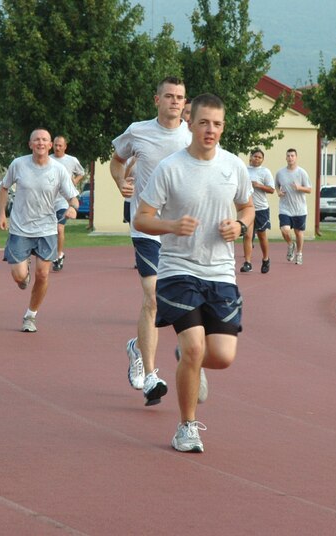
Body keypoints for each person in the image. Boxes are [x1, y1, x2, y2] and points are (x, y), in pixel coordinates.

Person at [133, 93, 255, 453]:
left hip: (220, 273)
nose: (210, 130)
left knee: (222, 356)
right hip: (178, 270)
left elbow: (248, 207)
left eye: (217, 124)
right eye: (204, 122)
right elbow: (142, 218)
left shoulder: (234, 166)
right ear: (191, 123)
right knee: (194, 345)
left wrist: (241, 225)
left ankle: (190, 361)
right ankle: (186, 427)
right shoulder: (170, 167)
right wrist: (171, 225)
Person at [110, 77, 192, 403]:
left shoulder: (191, 137)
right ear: (156, 99)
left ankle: (136, 347)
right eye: (169, 96)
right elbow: (117, 161)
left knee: (179, 302)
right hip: (145, 226)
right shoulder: (138, 131)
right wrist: (120, 184)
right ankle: (151, 376)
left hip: (178, 231)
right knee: (153, 296)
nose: (174, 102)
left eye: (180, 97)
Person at [0, 128, 79, 333]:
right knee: (19, 277)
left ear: (50, 145)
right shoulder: (18, 164)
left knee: (43, 274)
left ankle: (30, 316)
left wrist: (72, 208)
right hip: (20, 228)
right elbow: (4, 187)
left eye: (44, 140)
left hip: (46, 229)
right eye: (36, 140)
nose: (41, 143)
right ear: (30, 144)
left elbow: (73, 197)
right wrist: (1, 214)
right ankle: (23, 277)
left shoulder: (58, 169)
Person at [50, 135, 86, 272]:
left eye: (60, 145)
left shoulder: (71, 160)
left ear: (65, 146)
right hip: (48, 201)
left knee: (59, 228)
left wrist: (74, 182)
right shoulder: (48, 160)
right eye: (55, 145)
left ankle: (59, 255)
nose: (57, 148)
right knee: (49, 230)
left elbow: (81, 172)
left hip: (64, 202)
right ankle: (50, 254)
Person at [275, 148, 312, 265]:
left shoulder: (302, 173)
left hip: (299, 208)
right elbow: (276, 185)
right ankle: (291, 244)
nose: (290, 158)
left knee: (298, 232)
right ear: (285, 158)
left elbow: (309, 189)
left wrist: (299, 187)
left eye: (292, 156)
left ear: (296, 157)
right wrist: (278, 192)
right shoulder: (280, 173)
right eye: (288, 156)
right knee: (284, 229)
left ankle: (299, 253)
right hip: (285, 207)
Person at [240, 148, 275, 273]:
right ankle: (247, 262)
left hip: (261, 208)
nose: (257, 159)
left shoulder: (265, 172)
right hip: (248, 207)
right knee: (247, 235)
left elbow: (272, 189)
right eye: (255, 156)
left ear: (263, 160)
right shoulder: (244, 170)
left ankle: (266, 259)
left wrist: (259, 185)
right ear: (250, 157)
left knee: (261, 235)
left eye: (260, 157)